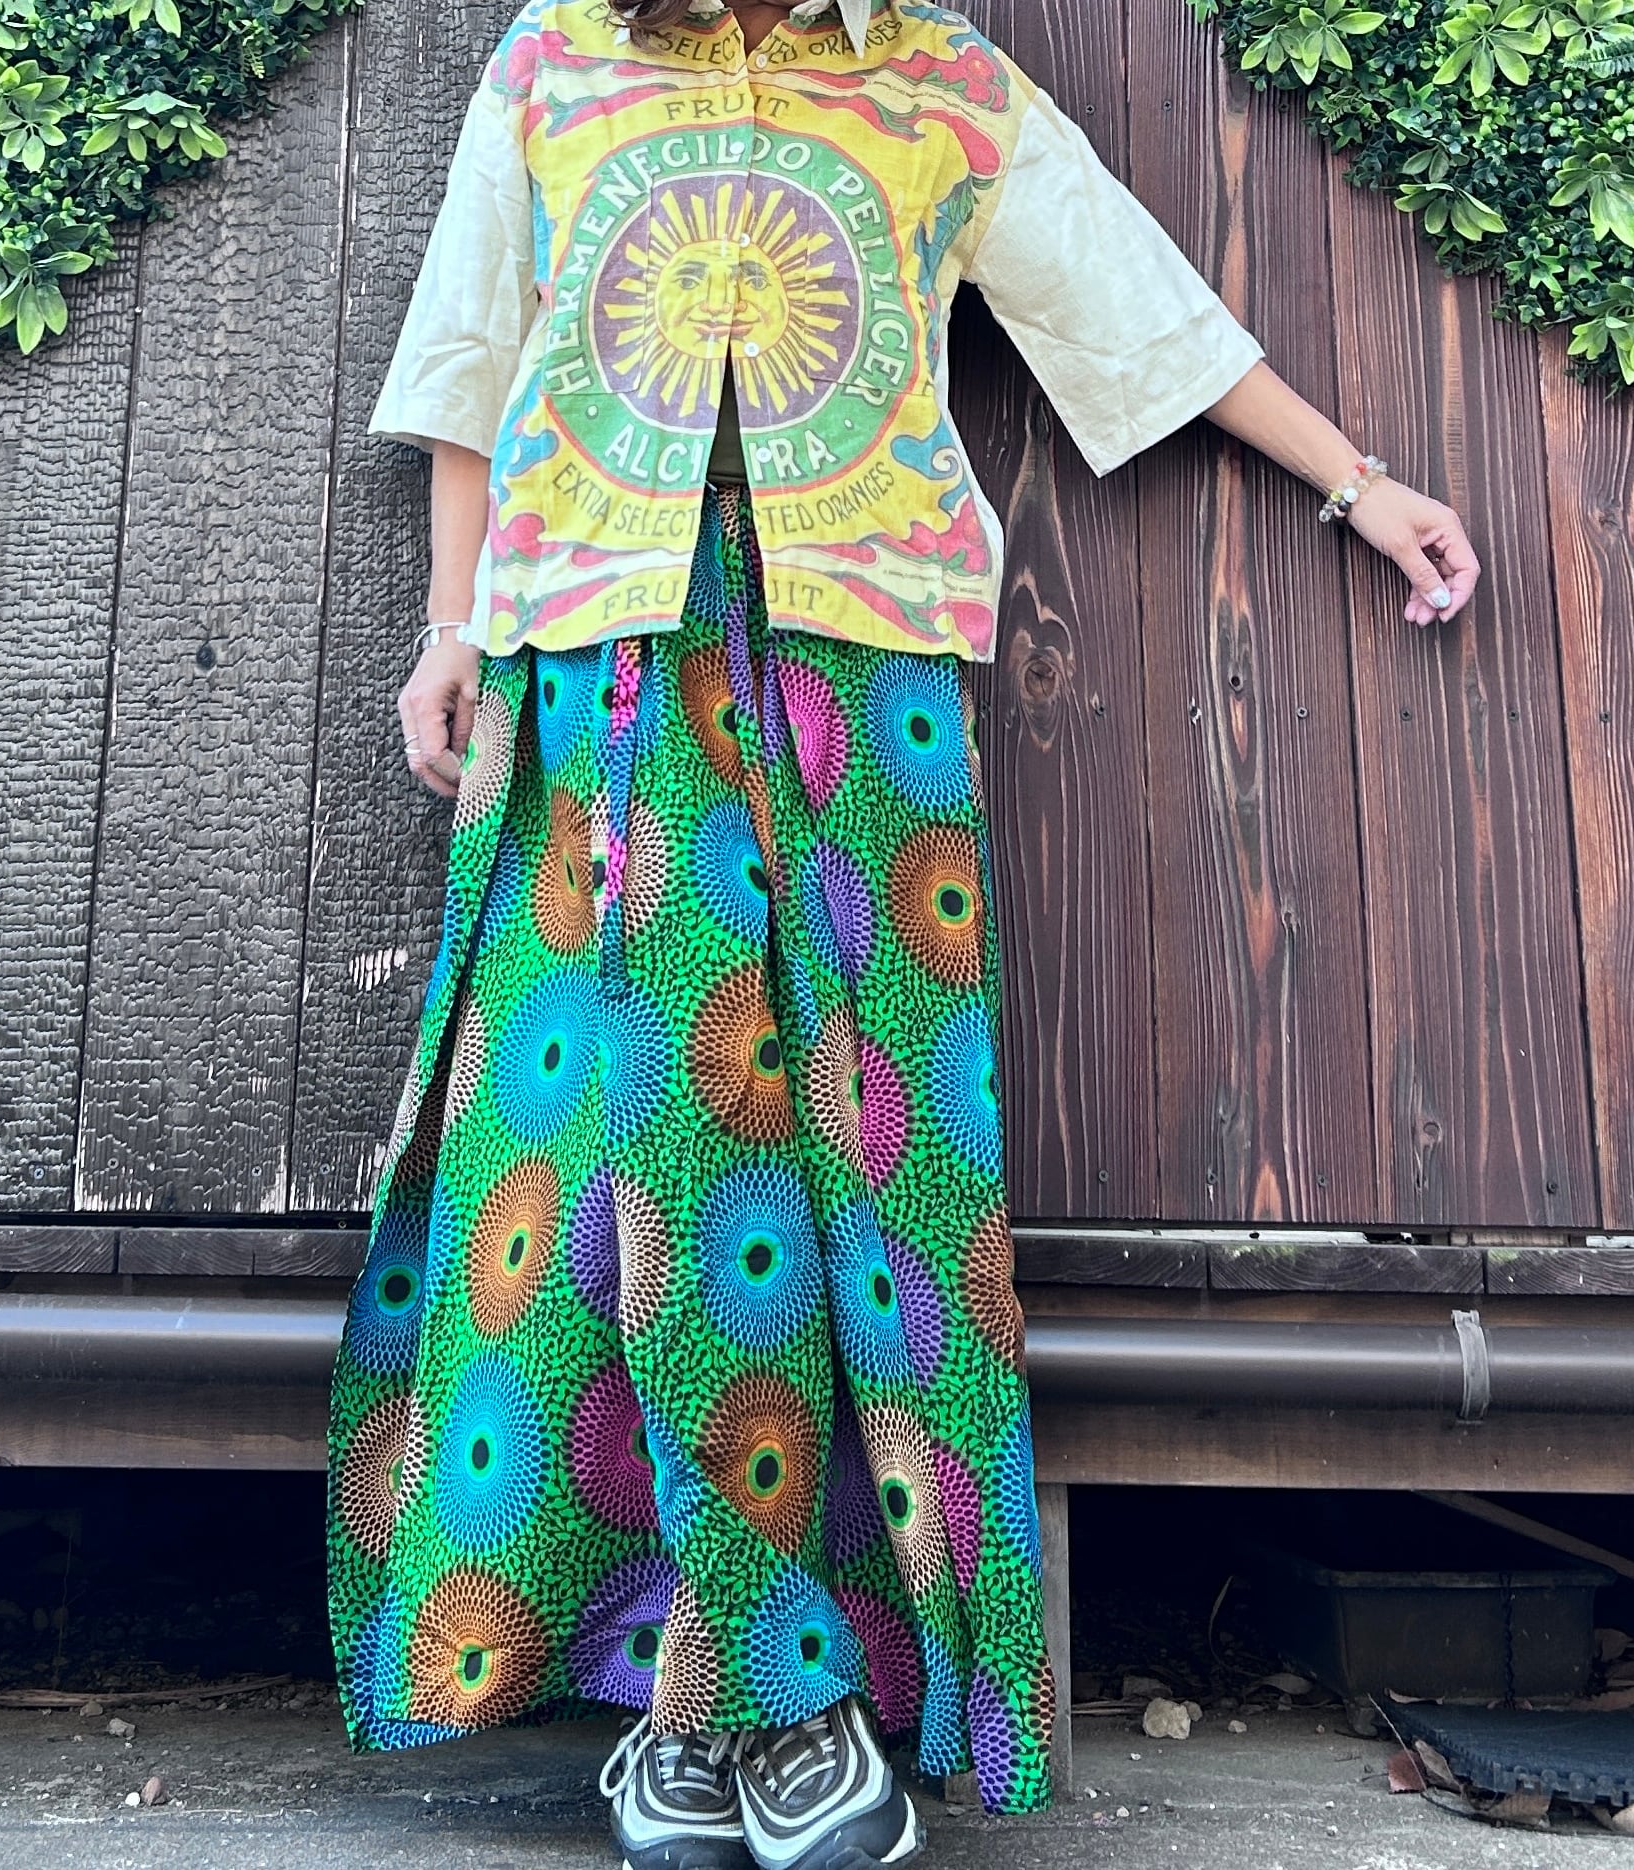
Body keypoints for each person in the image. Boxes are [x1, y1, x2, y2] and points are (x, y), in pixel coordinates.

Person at [324, 2, 1483, 1866]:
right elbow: (476, 355)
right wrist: (450, 625)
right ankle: (728, 1690)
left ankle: (773, 1696)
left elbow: (1138, 308)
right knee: (624, 1158)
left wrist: (1358, 484)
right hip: (593, 656)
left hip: (857, 678)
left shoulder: (935, 77)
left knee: (871, 1165)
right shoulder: (550, 61)